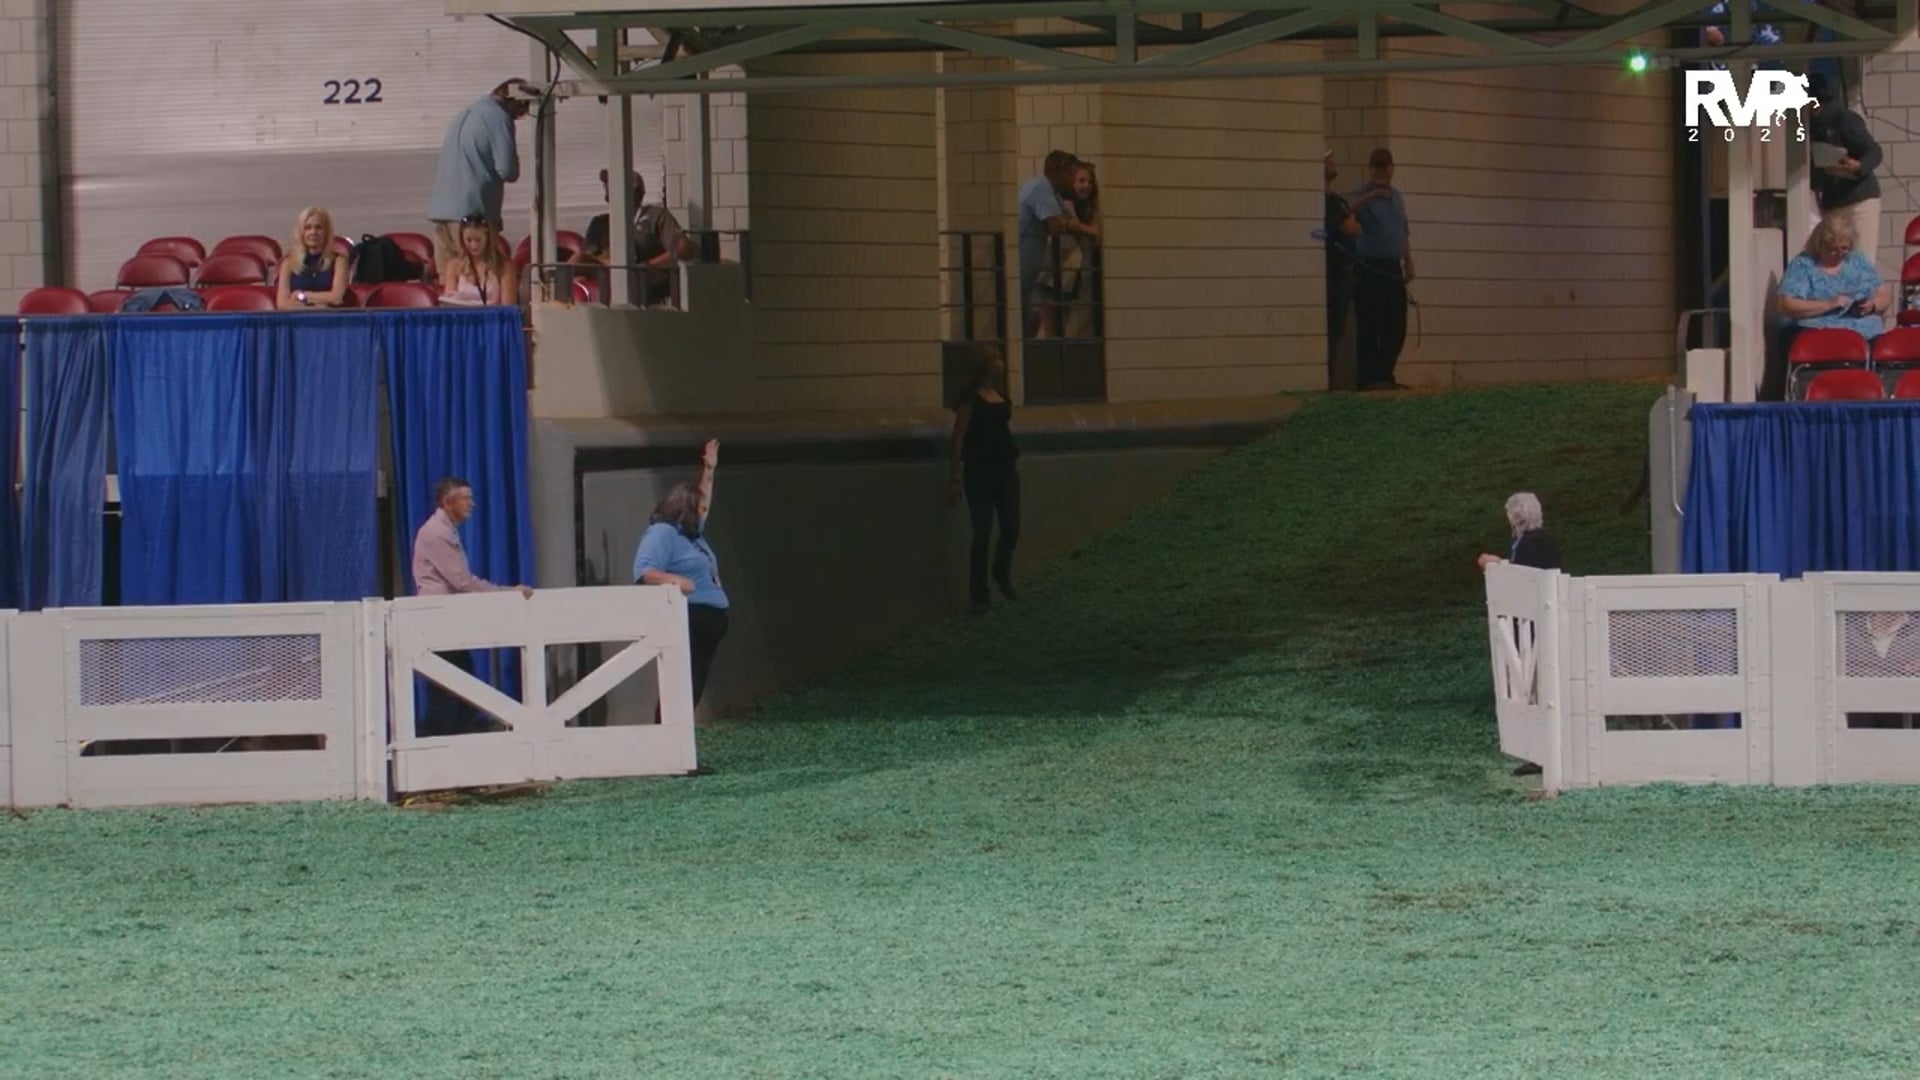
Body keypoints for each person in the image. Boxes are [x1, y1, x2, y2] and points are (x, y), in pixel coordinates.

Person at [411, 477, 534, 737]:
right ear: (448, 502)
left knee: (456, 688)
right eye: (465, 498)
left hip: (446, 620)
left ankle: (452, 741)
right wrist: (505, 593)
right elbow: (462, 582)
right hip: (440, 621)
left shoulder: (443, 530)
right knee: (447, 692)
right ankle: (437, 744)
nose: (472, 504)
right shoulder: (437, 533)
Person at [633, 440, 730, 708]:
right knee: (680, 688)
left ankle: (679, 733)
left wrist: (709, 470)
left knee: (693, 687)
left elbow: (705, 499)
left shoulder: (692, 534)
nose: (703, 512)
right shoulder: (663, 533)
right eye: (698, 508)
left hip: (708, 623)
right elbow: (644, 571)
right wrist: (675, 580)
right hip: (689, 618)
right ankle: (664, 733)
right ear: (684, 508)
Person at [427, 79, 530, 281]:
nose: (520, 116)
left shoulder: (465, 114)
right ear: (514, 100)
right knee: (477, 279)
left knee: (449, 282)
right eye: (522, 110)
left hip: (441, 212)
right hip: (473, 214)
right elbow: (507, 170)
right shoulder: (499, 118)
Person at [947, 345, 1021, 614]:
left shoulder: (1000, 395)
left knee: (1011, 526)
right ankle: (979, 594)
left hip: (1005, 469)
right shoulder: (971, 400)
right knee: (982, 533)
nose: (1002, 363)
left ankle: (1001, 571)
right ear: (987, 365)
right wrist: (955, 477)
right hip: (979, 472)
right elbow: (958, 438)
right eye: (998, 359)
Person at [573, 170, 693, 307]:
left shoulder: (655, 216)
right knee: (577, 259)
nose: (608, 190)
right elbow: (586, 259)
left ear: (636, 192)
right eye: (608, 188)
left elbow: (683, 249)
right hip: (606, 276)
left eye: (614, 186)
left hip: (642, 281)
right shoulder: (600, 222)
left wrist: (646, 266)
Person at [1349, 148, 1413, 392]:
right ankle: (1369, 378)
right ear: (1370, 169)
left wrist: (1408, 260)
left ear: (1392, 168)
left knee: (1396, 325)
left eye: (1385, 167)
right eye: (1377, 167)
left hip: (1392, 267)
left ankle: (1385, 373)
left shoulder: (1397, 198)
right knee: (1370, 323)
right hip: (1370, 266)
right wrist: (1372, 195)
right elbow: (1347, 211)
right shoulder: (1362, 194)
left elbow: (1402, 231)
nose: (1381, 171)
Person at [1777, 213, 1891, 348]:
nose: (1839, 254)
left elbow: (1883, 296)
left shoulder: (1858, 260)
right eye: (1833, 249)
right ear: (1820, 245)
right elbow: (1787, 304)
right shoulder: (1803, 264)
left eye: (1844, 249)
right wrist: (1829, 304)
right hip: (1818, 330)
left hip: (1864, 331)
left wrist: (1871, 306)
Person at [1807, 73, 1883, 269]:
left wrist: (1860, 166)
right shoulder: (1809, 125)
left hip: (1859, 199)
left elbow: (1874, 151)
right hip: (1834, 201)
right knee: (1836, 261)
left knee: (1861, 259)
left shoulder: (1844, 119)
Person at [1017, 151, 1090, 338]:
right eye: (1070, 174)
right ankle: (1021, 350)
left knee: (1030, 310)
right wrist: (1067, 224)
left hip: (1032, 260)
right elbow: (1057, 225)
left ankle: (1024, 347)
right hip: (1023, 257)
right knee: (1027, 311)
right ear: (1057, 172)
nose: (1072, 179)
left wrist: (1067, 223)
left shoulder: (1052, 191)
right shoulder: (1040, 187)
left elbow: (1068, 219)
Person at [1323, 152, 1360, 378]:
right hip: (1330, 275)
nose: (1332, 162)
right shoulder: (1323, 203)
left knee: (1337, 329)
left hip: (1344, 274)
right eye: (1327, 160)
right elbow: (1348, 227)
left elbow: (1355, 227)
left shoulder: (1338, 201)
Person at [276, 206, 350, 310]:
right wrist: (319, 305)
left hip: (329, 318)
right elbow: (283, 304)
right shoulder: (288, 263)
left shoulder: (339, 261)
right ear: (301, 232)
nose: (313, 232)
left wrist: (301, 295)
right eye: (308, 228)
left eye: (318, 227)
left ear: (326, 232)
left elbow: (336, 298)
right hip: (298, 318)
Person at [441, 214, 520, 307]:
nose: (474, 245)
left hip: (493, 315)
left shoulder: (505, 267)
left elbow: (508, 308)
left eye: (478, 240)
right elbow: (449, 304)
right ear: (462, 239)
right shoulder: (454, 265)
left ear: (488, 238)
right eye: (469, 240)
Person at [1477, 492, 1563, 573]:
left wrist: (1498, 564)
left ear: (1514, 516)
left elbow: (1523, 574)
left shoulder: (1532, 542)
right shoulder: (1539, 538)